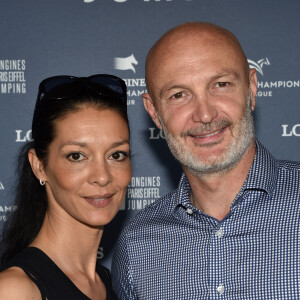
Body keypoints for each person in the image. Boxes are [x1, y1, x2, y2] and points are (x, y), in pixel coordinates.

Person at [111, 22, 300, 299]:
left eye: (220, 85)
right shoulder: (136, 246)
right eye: (179, 95)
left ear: (251, 89)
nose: (205, 114)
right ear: (154, 112)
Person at [0, 74, 131, 299]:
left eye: (116, 155)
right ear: (39, 166)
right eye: (77, 156)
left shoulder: (108, 283)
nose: (102, 177)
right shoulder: (15, 289)